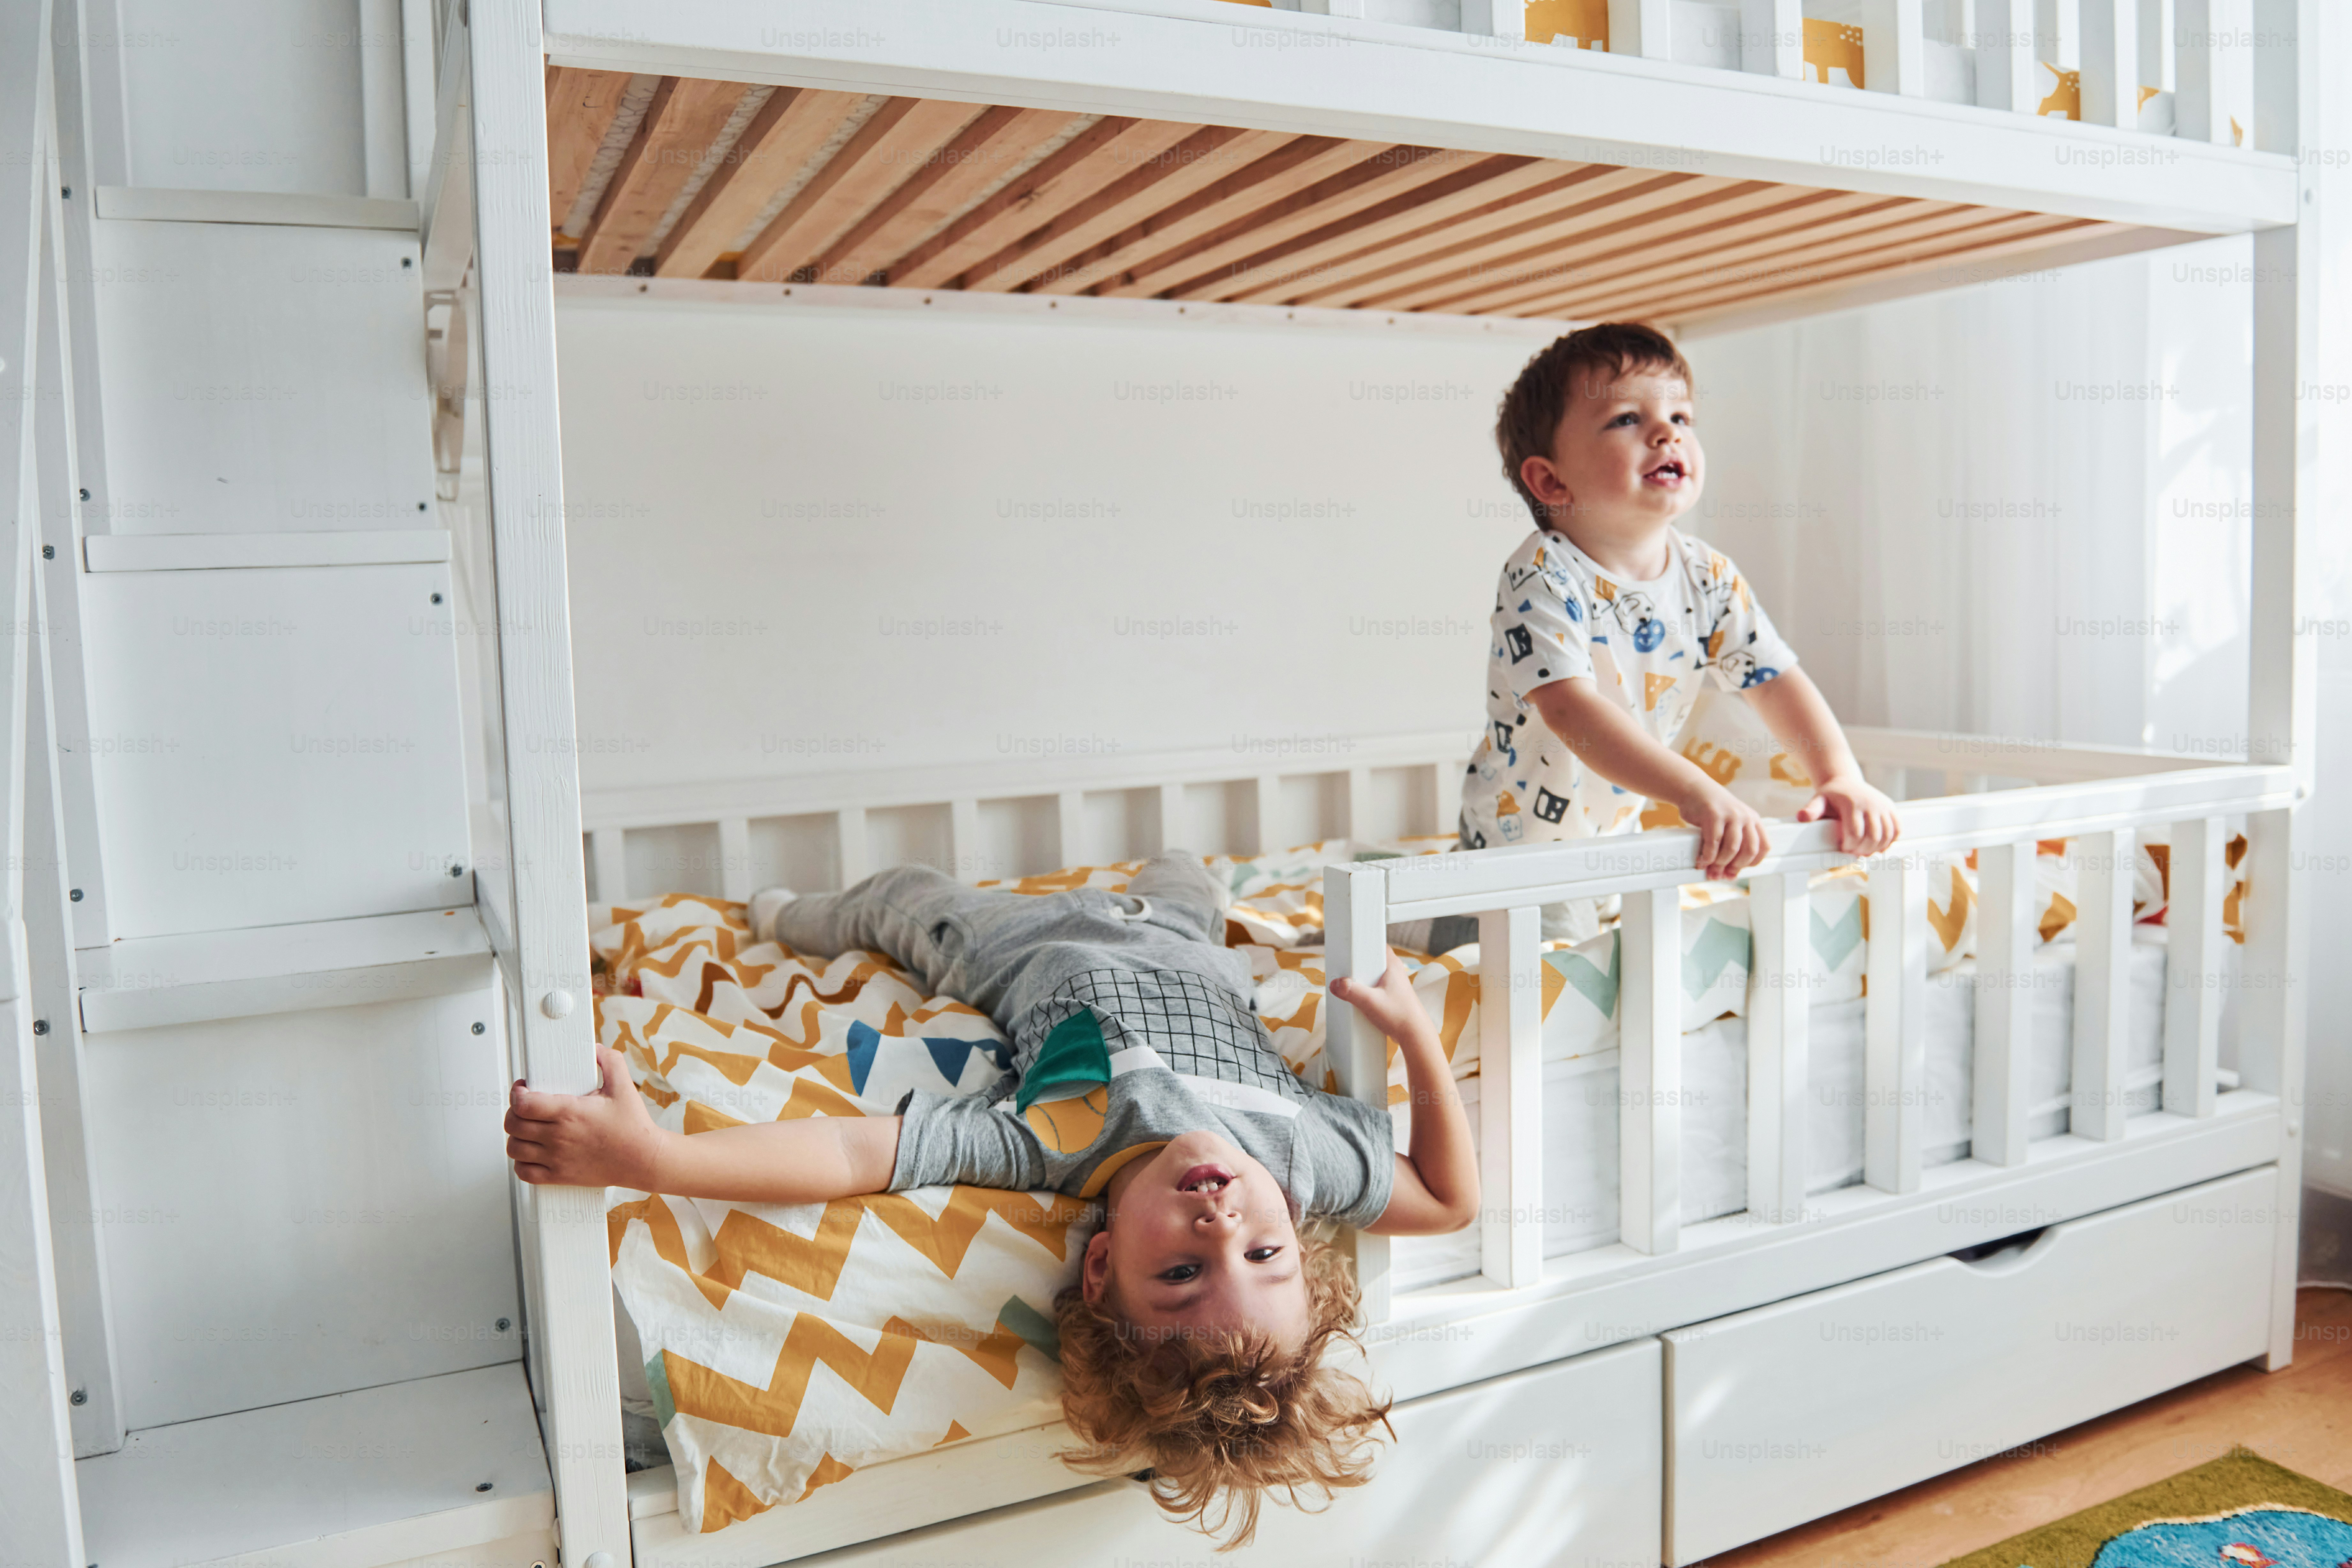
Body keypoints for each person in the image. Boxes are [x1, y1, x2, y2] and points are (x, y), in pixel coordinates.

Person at [505, 850, 1477, 1547]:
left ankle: (779, 910)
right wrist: (1417, 1033)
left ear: (1101, 1264)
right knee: (1185, 866)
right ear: (1300, 1248)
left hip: (1017, 942)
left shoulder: (1058, 1137)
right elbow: (1445, 1200)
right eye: (1266, 1259)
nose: (1224, 1226)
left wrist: (660, 1161)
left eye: (1181, 1271)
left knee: (901, 898)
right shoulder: (1300, 1157)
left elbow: (854, 1151)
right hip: (1181, 933)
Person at [1455, 321, 1900, 946]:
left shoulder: (1707, 575)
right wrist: (1698, 789)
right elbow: (1571, 710)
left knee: (1635, 948)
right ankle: (1433, 912)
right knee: (1549, 974)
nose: (1667, 432)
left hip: (1613, 841)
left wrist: (1839, 777)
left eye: (1682, 417)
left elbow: (1774, 679)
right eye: (1626, 420)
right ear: (1551, 481)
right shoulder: (1542, 574)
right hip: (1522, 853)